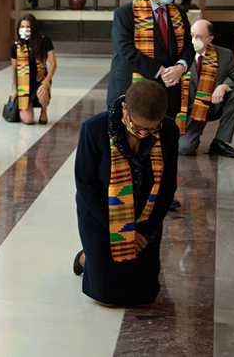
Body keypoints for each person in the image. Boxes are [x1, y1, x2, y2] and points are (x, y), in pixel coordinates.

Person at [73, 80, 179, 306]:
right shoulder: (94, 129)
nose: (142, 134)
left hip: (144, 215)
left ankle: (93, 256)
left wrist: (144, 229)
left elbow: (168, 185)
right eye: (137, 126)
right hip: (101, 215)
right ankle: (87, 258)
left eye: (151, 129)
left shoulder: (169, 131)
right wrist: (119, 228)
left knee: (143, 296)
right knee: (108, 298)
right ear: (124, 109)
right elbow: (85, 184)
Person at [107, 0, 195, 127]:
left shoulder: (179, 13)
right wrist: (160, 71)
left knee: (164, 141)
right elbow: (125, 50)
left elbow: (188, 47)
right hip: (132, 88)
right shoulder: (126, 13)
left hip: (169, 88)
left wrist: (181, 67)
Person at [178, 20, 234, 158]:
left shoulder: (224, 55)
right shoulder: (179, 54)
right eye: (191, 35)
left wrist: (225, 86)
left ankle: (220, 142)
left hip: (211, 106)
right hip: (187, 112)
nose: (194, 40)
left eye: (199, 36)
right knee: (185, 149)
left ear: (209, 39)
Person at [10, 14, 56, 125]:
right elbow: (14, 70)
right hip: (24, 84)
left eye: (27, 27)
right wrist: (15, 90)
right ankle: (25, 106)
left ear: (33, 28)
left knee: (43, 95)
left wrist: (45, 83)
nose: (24, 30)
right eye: (22, 27)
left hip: (40, 80)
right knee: (28, 120)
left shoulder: (44, 41)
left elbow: (53, 64)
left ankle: (43, 110)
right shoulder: (16, 46)